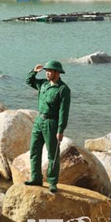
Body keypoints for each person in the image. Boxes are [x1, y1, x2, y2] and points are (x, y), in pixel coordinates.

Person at [24, 60, 71, 193]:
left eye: (49, 71)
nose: (47, 73)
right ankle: (36, 178)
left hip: (52, 124)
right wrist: (34, 71)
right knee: (34, 151)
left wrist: (61, 130)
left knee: (53, 155)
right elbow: (28, 81)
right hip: (39, 121)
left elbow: (64, 111)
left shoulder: (63, 89)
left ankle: (52, 182)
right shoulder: (42, 84)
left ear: (57, 72)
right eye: (46, 71)